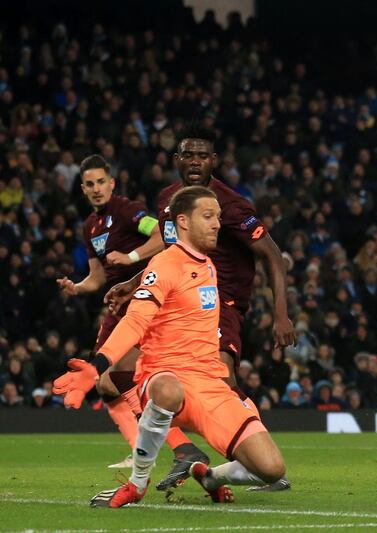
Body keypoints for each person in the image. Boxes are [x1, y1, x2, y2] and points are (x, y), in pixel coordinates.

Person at [54, 186, 287, 508]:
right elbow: (135, 322)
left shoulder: (208, 266)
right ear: (183, 221)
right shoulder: (164, 265)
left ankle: (210, 476)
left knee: (272, 469)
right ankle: (137, 484)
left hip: (209, 384)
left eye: (218, 216)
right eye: (208, 216)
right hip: (164, 375)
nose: (217, 223)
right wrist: (97, 365)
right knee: (168, 389)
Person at [104, 123, 295, 491]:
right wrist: (133, 283)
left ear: (214, 161)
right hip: (177, 299)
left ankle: (252, 459)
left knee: (220, 375)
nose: (195, 161)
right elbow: (168, 251)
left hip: (221, 302)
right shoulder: (168, 201)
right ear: (176, 160)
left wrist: (281, 313)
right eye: (188, 154)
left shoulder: (232, 205)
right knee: (118, 374)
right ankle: (186, 450)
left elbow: (272, 255)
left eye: (202, 155)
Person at [56, 155, 206, 470]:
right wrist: (77, 287)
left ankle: (179, 446)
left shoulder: (128, 210)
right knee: (107, 383)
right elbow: (97, 277)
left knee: (120, 374)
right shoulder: (90, 226)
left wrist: (132, 255)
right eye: (89, 184)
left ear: (112, 183)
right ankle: (143, 448)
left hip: (144, 298)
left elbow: (163, 236)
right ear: (82, 189)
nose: (96, 189)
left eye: (101, 182)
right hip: (117, 305)